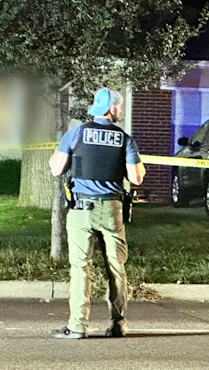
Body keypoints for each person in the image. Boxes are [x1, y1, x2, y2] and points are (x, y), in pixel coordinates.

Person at [49, 87, 146, 339]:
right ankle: (117, 323)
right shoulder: (124, 138)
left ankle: (78, 325)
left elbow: (56, 168)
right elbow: (136, 178)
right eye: (119, 106)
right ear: (111, 108)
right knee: (116, 267)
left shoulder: (76, 133)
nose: (121, 111)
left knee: (80, 267)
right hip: (111, 210)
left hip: (81, 210)